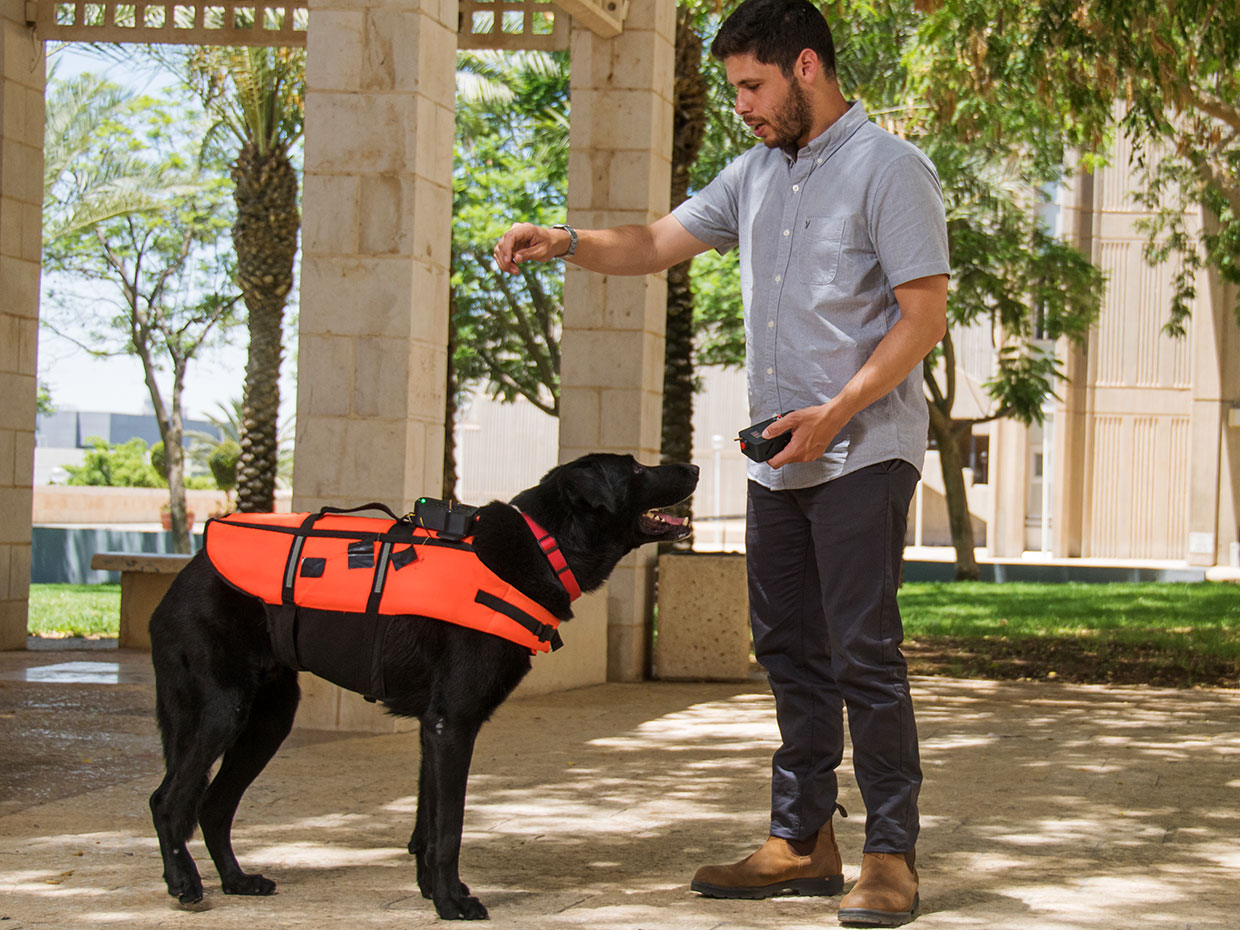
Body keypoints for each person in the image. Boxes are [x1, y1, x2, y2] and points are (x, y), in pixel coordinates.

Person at [494, 0, 949, 924]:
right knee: (787, 649)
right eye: (735, 86)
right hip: (778, 457)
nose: (741, 104)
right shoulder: (751, 176)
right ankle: (803, 839)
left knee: (863, 651)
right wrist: (568, 241)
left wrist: (840, 410)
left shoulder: (891, 171)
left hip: (864, 448)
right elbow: (659, 241)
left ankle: (890, 855)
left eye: (753, 85)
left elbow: (922, 315)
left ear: (807, 68)